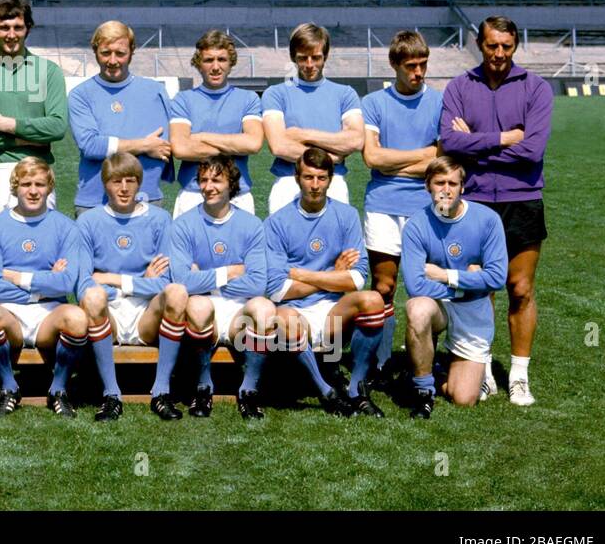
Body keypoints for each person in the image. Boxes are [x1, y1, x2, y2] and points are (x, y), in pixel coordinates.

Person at [439, 15, 552, 406]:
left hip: (522, 198)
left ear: (515, 46)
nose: (499, 54)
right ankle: (483, 371)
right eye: (492, 46)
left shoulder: (536, 88)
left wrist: (477, 145)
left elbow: (533, 151)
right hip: (475, 202)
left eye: (506, 46)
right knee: (479, 288)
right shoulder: (458, 86)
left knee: (519, 289)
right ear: (479, 44)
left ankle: (519, 376)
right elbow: (450, 143)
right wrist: (503, 139)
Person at [266, 148, 383, 417]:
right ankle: (326, 391)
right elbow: (276, 289)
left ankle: (356, 389)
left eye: (321, 178)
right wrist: (333, 275)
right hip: (297, 311)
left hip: (334, 312)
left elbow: (357, 278)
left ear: (331, 179)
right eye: (308, 177)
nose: (315, 185)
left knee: (373, 299)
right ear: (297, 178)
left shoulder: (347, 215)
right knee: (282, 316)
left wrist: (302, 274)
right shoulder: (276, 222)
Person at [359, 30, 442, 383]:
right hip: (383, 203)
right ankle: (378, 363)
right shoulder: (374, 103)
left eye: (423, 64)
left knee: (426, 287)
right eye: (411, 65)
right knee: (384, 286)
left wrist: (394, 163)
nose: (418, 72)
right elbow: (371, 157)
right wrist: (423, 156)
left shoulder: (439, 102)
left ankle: (422, 361)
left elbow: (444, 160)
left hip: (426, 205)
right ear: (394, 64)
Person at [0, 158, 90, 418]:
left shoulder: (66, 227)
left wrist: (18, 277)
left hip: (48, 312)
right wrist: (46, 280)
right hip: (10, 315)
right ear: (15, 187)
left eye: (40, 184)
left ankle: (59, 388)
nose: (33, 190)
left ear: (49, 188)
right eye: (26, 184)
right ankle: (8, 386)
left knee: (76, 317)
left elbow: (68, 283)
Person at [167, 158, 275, 420]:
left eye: (216, 180)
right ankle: (203, 387)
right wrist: (229, 272)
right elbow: (181, 281)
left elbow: (258, 282)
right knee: (198, 304)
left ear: (231, 185)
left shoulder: (251, 224)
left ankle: (249, 391)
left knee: (265, 308)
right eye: (203, 180)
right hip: (204, 309)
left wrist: (203, 278)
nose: (208, 186)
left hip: (239, 309)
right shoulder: (183, 224)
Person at [402, 156, 508, 418]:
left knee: (463, 399)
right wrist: (469, 282)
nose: (446, 189)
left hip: (473, 308)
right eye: (439, 183)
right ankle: (424, 390)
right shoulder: (416, 225)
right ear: (427, 185)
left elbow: (497, 279)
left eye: (452, 183)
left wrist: (445, 275)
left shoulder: (488, 220)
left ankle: (445, 370)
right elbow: (415, 285)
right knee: (417, 308)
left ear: (463, 187)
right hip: (442, 305)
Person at [75, 152, 176, 422]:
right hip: (109, 311)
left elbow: (166, 282)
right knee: (92, 296)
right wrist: (142, 281)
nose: (123, 188)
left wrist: (114, 279)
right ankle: (111, 394)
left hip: (147, 312)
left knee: (176, 294)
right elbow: (82, 282)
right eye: (116, 181)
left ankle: (162, 391)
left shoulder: (160, 219)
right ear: (105, 183)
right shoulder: (88, 221)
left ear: (139, 183)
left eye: (130, 181)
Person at [0, 0, 69, 226]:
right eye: (4, 27)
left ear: (27, 28)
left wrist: (7, 125)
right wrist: (29, 138)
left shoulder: (49, 72)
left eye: (18, 27)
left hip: (35, 172)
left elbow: (57, 127)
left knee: (37, 252)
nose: (11, 34)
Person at [69, 20, 174, 214]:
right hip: (94, 202)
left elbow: (162, 147)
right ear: (95, 51)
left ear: (132, 51)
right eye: (105, 53)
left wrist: (112, 144)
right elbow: (91, 146)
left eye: (120, 53)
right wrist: (144, 145)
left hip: (147, 200)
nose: (113, 60)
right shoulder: (80, 94)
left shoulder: (155, 91)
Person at [261, 23, 364, 214]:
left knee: (334, 244)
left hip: (333, 182)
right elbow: (279, 146)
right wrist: (330, 157)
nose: (309, 65)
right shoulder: (275, 94)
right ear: (293, 57)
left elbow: (356, 140)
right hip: (288, 181)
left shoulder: (345, 94)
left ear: (325, 56)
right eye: (303, 58)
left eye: (316, 57)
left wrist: (300, 134)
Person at [169, 29, 264, 217]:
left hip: (238, 195)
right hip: (193, 193)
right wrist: (234, 146)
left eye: (221, 59)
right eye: (208, 60)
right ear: (198, 63)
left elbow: (253, 144)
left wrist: (201, 137)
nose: (215, 67)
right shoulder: (183, 99)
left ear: (231, 63)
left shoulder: (248, 99)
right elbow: (180, 149)